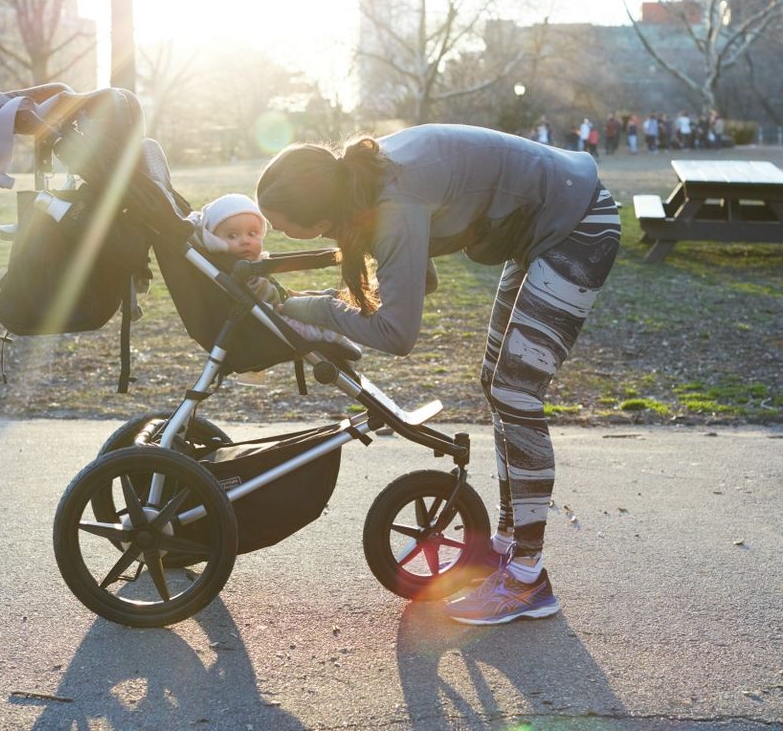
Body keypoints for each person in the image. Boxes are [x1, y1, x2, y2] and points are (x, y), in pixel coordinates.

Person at [255, 125, 620, 625]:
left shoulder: (393, 204)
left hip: (578, 223)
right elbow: (419, 277)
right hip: (551, 220)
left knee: (517, 391)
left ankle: (527, 579)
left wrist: (308, 308)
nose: (278, 233)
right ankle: (508, 549)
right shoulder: (366, 177)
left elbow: (397, 334)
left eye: (288, 227)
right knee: (500, 384)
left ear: (321, 212)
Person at [190, 193, 361, 355]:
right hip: (268, 319)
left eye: (252, 233)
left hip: (275, 306)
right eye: (232, 236)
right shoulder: (235, 269)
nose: (245, 241)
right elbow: (262, 295)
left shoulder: (247, 263)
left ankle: (333, 314)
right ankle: (328, 335)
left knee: (321, 299)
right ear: (215, 241)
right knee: (300, 324)